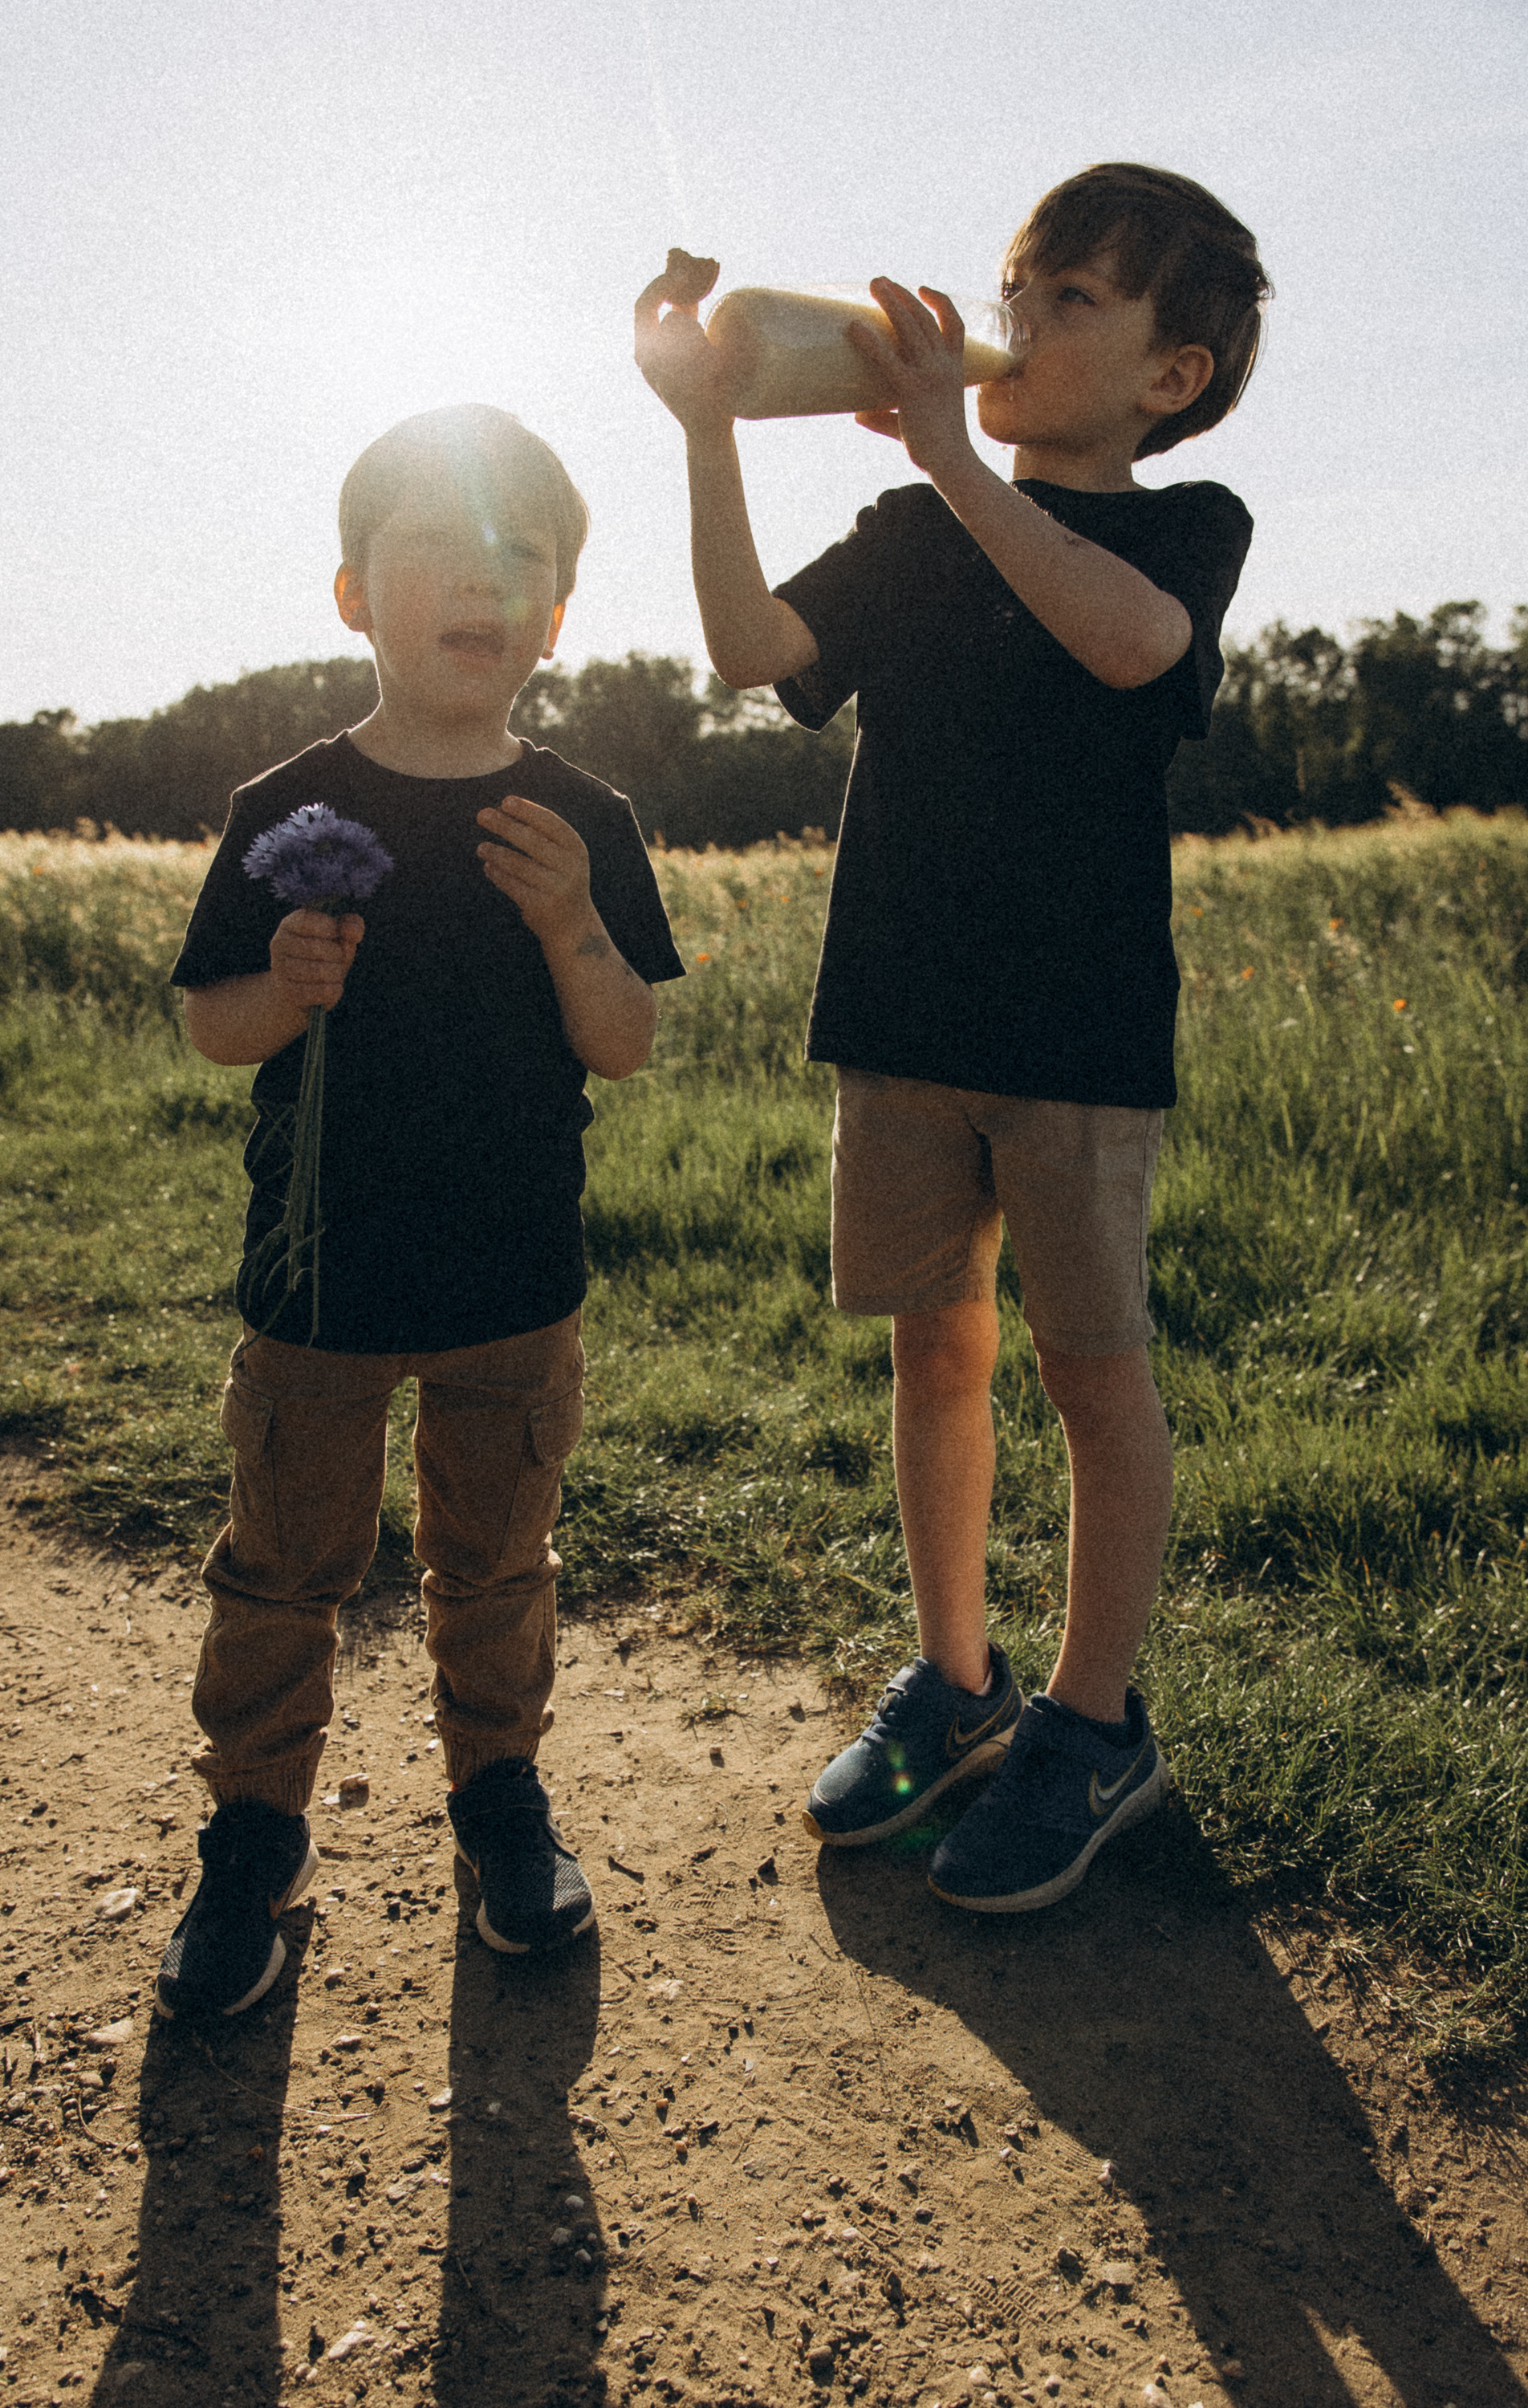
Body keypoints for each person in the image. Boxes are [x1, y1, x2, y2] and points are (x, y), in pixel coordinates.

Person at [636, 165, 1269, 1912]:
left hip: (1075, 1035)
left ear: (1170, 376)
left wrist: (950, 457)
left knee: (1091, 1374)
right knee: (935, 1352)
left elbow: (1131, 648)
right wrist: (708, 432)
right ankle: (958, 1675)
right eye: (1016, 288)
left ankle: (1094, 1721)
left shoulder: (1182, 527)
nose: (1015, 321)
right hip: (902, 1011)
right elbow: (749, 648)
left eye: (1072, 299)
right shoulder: (914, 529)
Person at [158, 405, 685, 2015]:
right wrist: (285, 983)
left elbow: (625, 1041)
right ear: (352, 597)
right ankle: (253, 1833)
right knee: (282, 1568)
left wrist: (571, 921)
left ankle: (499, 1801)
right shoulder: (287, 806)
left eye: (519, 557)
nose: (482, 582)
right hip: (317, 1278)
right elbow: (212, 1025)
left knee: (497, 1563)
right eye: (439, 548)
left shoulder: (583, 821)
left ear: (556, 617)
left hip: (514, 1279)